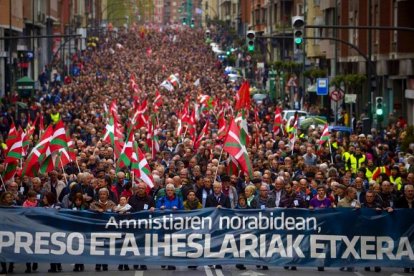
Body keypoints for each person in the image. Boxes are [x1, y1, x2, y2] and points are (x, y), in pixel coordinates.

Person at [128, 182, 155, 271]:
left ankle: (143, 262)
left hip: (145, 226)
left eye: (142, 188)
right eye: (139, 188)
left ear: (145, 189)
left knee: (143, 245)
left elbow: (153, 212)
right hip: (134, 225)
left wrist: (153, 209)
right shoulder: (132, 198)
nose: (140, 189)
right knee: (135, 245)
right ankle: (136, 262)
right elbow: (128, 210)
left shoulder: (150, 199)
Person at [90, 188, 116, 271]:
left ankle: (105, 264)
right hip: (98, 229)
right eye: (101, 194)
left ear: (107, 195)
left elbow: (116, 213)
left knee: (106, 247)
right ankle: (98, 264)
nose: (102, 196)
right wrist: (97, 210)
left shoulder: (112, 204)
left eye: (104, 194)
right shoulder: (94, 204)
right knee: (98, 247)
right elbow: (89, 211)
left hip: (108, 229)